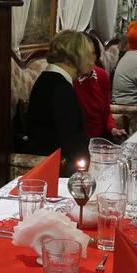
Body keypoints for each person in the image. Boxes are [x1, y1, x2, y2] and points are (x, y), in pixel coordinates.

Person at [27, 29, 95, 172]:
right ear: (75, 56)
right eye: (89, 55)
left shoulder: (48, 79)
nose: (92, 61)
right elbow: (69, 143)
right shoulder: (60, 88)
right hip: (59, 170)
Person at [74, 32, 125, 141]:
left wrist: (112, 128)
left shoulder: (101, 75)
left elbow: (106, 112)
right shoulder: (71, 80)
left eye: (93, 53)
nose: (91, 59)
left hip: (102, 137)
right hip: (82, 140)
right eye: (86, 55)